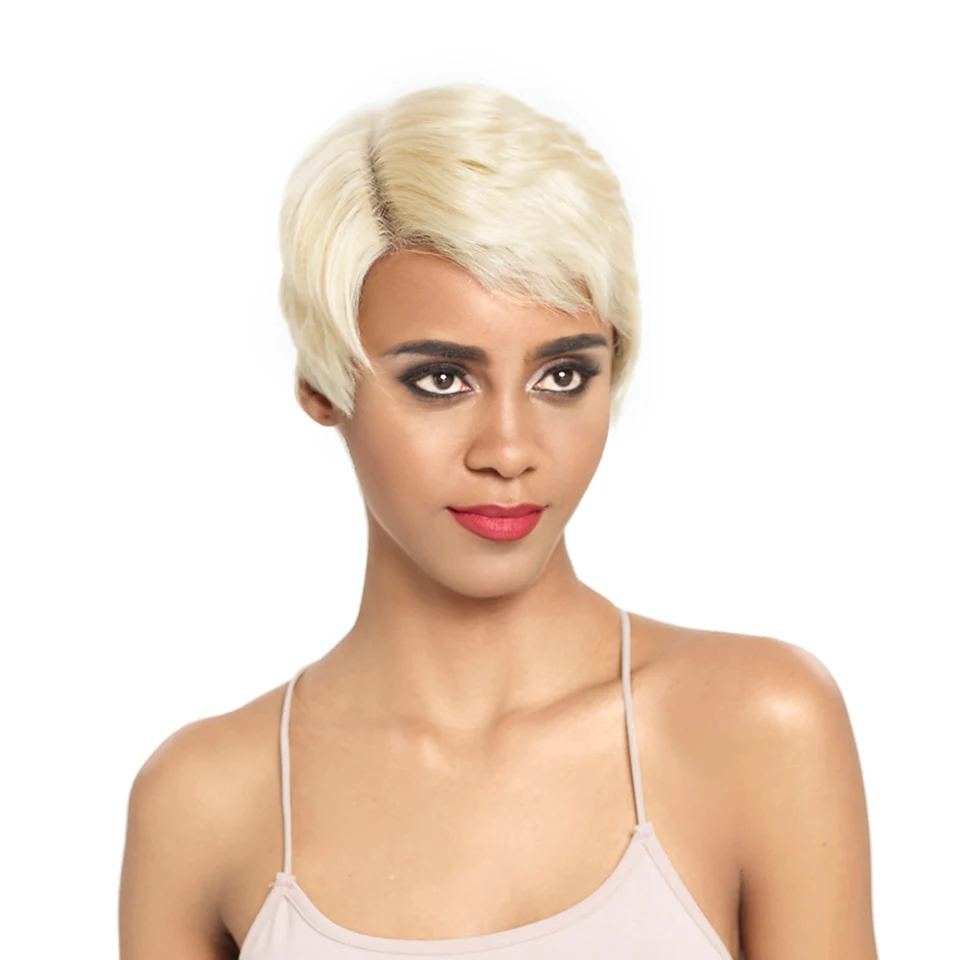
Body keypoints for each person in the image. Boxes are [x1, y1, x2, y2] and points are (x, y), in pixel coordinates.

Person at [118, 83, 878, 960]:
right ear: (323, 387)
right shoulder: (204, 804)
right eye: (441, 380)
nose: (510, 451)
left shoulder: (757, 727)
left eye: (562, 377)